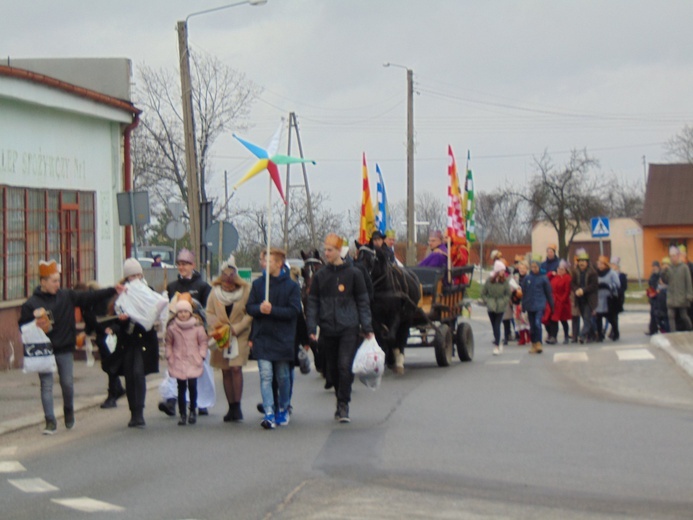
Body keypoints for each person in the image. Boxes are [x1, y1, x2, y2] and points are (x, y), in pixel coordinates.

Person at [19, 260, 123, 435]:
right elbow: (22, 325)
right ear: (43, 282)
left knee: (67, 384)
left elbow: (90, 296)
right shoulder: (31, 304)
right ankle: (50, 421)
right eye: (53, 281)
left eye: (58, 280)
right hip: (43, 350)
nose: (57, 284)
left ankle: (68, 411)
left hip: (64, 348)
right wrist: (35, 324)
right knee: (46, 385)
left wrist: (113, 289)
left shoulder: (67, 296)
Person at [306, 233, 374, 423]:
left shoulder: (354, 274)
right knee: (333, 369)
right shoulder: (320, 276)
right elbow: (312, 303)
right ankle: (339, 396)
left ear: (339, 251)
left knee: (345, 365)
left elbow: (363, 301)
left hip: (349, 327)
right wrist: (311, 326)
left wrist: (366, 326)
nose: (326, 253)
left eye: (330, 250)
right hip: (328, 328)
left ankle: (343, 404)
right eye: (325, 249)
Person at [247, 248, 302, 429]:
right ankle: (269, 411)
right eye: (264, 261)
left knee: (283, 376)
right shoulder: (258, 285)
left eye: (268, 261)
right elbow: (250, 307)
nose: (264, 264)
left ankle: (283, 408)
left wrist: (273, 310)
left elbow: (294, 311)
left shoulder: (292, 287)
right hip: (263, 336)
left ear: (279, 264)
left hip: (283, 338)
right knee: (265, 375)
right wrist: (259, 309)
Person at [159, 248, 214, 417]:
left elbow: (209, 311)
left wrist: (195, 309)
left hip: (196, 335)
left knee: (199, 370)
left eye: (185, 264)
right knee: (175, 368)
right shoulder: (172, 286)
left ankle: (201, 402)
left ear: (193, 265)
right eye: (179, 264)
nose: (182, 267)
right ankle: (172, 400)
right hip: (177, 334)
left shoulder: (203, 287)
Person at [110, 258, 160, 428]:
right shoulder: (121, 294)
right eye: (132, 276)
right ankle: (133, 412)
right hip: (128, 340)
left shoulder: (148, 291)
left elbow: (156, 309)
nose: (136, 279)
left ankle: (139, 412)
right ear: (126, 278)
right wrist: (122, 320)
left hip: (143, 339)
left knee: (138, 374)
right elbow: (115, 318)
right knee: (130, 375)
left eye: (138, 275)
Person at [206, 255, 252, 423]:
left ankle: (238, 406)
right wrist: (217, 327)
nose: (228, 285)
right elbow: (209, 312)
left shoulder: (245, 291)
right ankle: (231, 406)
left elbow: (250, 313)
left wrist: (237, 327)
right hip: (221, 334)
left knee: (235, 368)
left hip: (239, 334)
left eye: (231, 282)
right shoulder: (215, 293)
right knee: (225, 369)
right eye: (225, 281)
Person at [74, 281, 124, 409]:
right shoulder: (86, 305)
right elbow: (90, 322)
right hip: (101, 336)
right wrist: (86, 333)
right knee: (107, 365)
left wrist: (112, 328)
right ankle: (118, 388)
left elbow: (114, 317)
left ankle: (112, 395)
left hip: (111, 335)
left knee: (111, 365)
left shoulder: (102, 302)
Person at [165, 299, 208, 425]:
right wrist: (169, 356)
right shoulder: (172, 328)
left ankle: (193, 410)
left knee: (193, 386)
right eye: (180, 312)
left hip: (193, 359)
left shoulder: (197, 327)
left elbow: (203, 343)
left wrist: (201, 356)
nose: (183, 314)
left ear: (190, 313)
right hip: (178, 360)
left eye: (185, 312)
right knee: (181, 387)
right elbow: (169, 343)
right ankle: (182, 413)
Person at [521, 257, 554, 354]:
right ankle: (533, 343)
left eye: (535, 267)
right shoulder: (527, 278)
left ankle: (539, 343)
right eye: (532, 267)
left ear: (539, 267)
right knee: (532, 326)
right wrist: (523, 306)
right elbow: (524, 292)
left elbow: (548, 293)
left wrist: (552, 306)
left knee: (537, 323)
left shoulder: (544, 278)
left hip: (540, 304)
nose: (534, 269)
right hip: (530, 305)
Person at [481, 260, 511, 355]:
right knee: (494, 326)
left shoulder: (504, 281)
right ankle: (498, 341)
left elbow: (508, 294)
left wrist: (504, 301)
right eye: (502, 270)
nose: (503, 272)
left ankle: (497, 346)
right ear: (497, 271)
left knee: (497, 325)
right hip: (491, 305)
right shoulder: (489, 281)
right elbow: (483, 293)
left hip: (500, 306)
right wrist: (487, 301)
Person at [660, 245, 693, 332]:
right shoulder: (669, 268)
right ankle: (673, 333)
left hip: (682, 296)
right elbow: (665, 281)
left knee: (684, 316)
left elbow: (688, 282)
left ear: (678, 256)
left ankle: (690, 329)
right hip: (671, 296)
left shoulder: (684, 267)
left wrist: (689, 295)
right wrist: (663, 271)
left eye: (674, 256)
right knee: (671, 315)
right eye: (670, 256)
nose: (672, 258)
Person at [571, 250, 598, 343]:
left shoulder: (592, 272)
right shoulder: (575, 272)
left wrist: (583, 290)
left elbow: (593, 285)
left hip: (589, 299)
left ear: (587, 262)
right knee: (585, 317)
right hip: (579, 298)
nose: (581, 263)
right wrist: (576, 290)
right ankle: (593, 334)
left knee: (587, 318)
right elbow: (573, 283)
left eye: (583, 261)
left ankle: (582, 335)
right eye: (580, 261)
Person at [545, 260, 572, 344]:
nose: (559, 271)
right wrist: (551, 274)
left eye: (562, 269)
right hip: (554, 302)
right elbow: (546, 279)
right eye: (558, 269)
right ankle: (553, 336)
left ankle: (566, 336)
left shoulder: (567, 278)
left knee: (563, 320)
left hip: (562, 303)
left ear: (566, 270)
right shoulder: (555, 277)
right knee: (553, 320)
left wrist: (562, 300)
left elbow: (567, 291)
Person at [512, 259, 530, 345]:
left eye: (523, 268)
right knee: (518, 318)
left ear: (527, 269)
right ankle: (522, 337)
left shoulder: (529, 277)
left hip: (526, 300)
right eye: (520, 268)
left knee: (525, 319)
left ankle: (529, 336)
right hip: (517, 300)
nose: (521, 270)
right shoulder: (515, 277)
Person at [609, 256, 628, 340]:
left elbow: (624, 287)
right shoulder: (608, 274)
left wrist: (618, 291)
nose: (611, 266)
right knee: (611, 316)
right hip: (610, 297)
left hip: (618, 298)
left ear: (617, 266)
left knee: (615, 316)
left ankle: (614, 332)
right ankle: (613, 330)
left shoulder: (622, 275)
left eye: (613, 264)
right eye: (611, 264)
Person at [646, 260, 661, 335]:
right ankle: (652, 330)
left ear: (658, 267)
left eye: (655, 266)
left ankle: (659, 329)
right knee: (652, 313)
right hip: (653, 296)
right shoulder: (652, 275)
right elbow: (650, 285)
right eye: (653, 266)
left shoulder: (660, 274)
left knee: (657, 314)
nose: (654, 268)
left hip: (659, 297)